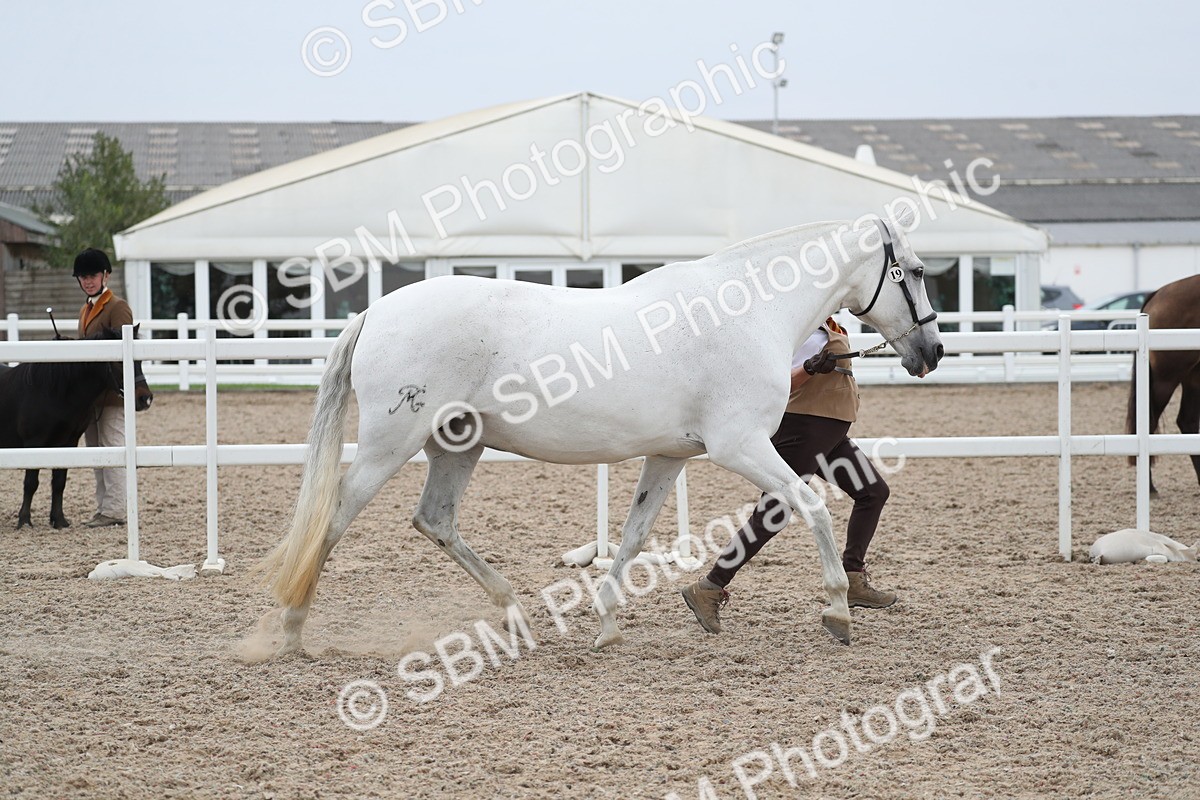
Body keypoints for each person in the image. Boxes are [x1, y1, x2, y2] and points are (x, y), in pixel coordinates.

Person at [681, 316, 895, 634]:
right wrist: (809, 368)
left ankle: (852, 577)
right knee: (774, 513)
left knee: (873, 492)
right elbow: (776, 383)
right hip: (804, 428)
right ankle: (710, 586)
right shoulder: (794, 326)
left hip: (831, 432)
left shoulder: (826, 322)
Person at [74, 247, 133, 528]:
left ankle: (117, 509)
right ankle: (103, 507)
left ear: (105, 275)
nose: (88, 280)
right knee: (96, 452)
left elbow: (124, 350)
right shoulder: (85, 309)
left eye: (93, 275)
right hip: (90, 395)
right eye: (83, 276)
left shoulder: (117, 306)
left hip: (111, 392)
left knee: (113, 447)